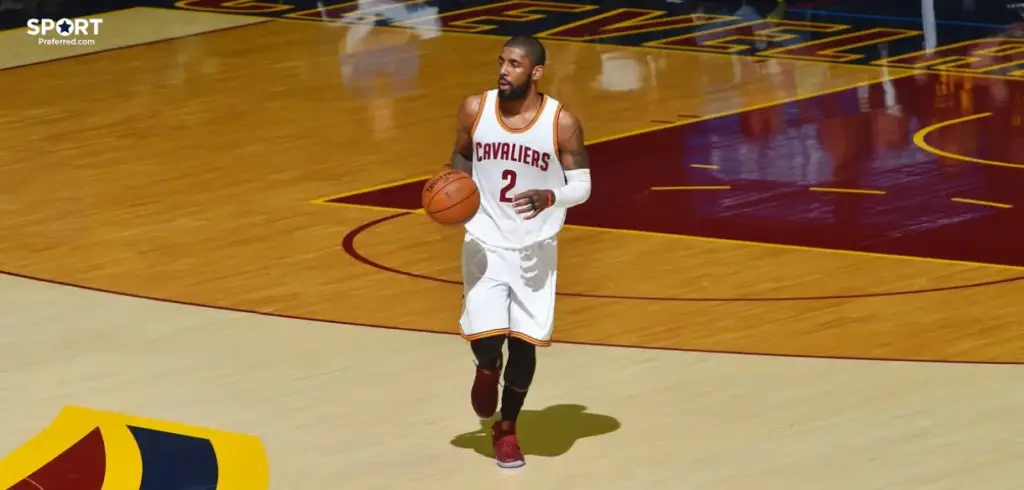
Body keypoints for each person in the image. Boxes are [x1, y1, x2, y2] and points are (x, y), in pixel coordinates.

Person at [443, 35, 592, 468]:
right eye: (502, 62)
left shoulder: (561, 123)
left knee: (524, 345)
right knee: (489, 338)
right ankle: (487, 365)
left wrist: (551, 196)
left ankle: (506, 429)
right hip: (485, 239)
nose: (504, 71)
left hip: (535, 247)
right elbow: (461, 154)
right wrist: (457, 189)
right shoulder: (475, 108)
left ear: (536, 72)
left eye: (515, 64)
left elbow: (583, 186)